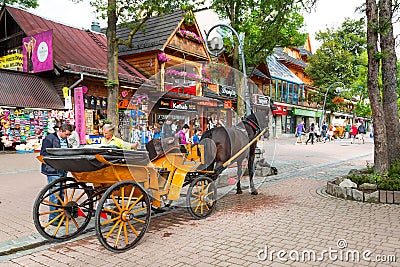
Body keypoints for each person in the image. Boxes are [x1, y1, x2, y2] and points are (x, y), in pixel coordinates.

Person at [40, 123, 73, 225]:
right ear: (60, 131)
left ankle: (61, 215)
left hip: (62, 169)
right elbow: (44, 154)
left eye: (69, 135)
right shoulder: (49, 139)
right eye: (66, 134)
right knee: (55, 194)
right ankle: (53, 218)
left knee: (62, 193)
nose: (67, 137)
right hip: (53, 170)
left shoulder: (65, 139)